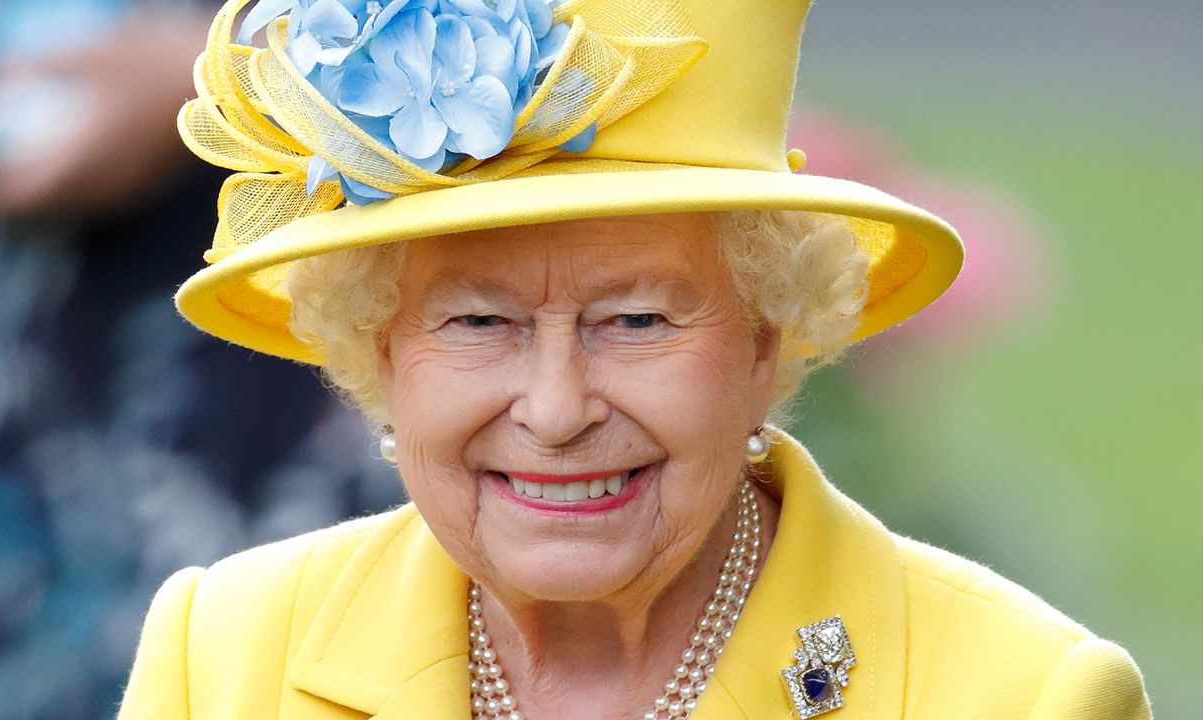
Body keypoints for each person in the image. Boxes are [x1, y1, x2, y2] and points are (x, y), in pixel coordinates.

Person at [118, 0, 1152, 718]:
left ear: (763, 343)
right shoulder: (224, 657)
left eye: (638, 322)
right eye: (478, 324)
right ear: (379, 355)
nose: (556, 409)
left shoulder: (1018, 697)